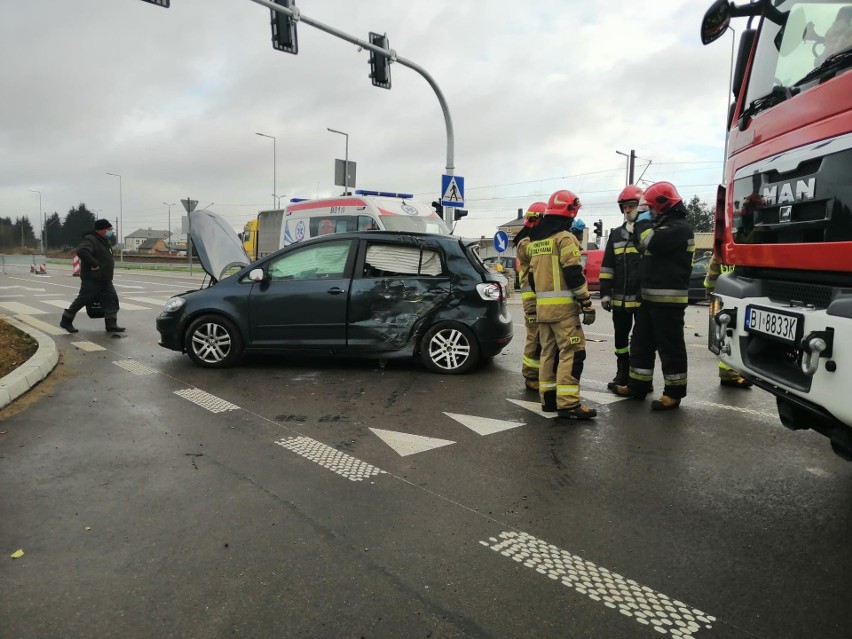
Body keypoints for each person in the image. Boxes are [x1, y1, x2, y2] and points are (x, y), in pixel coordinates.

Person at [614, 181, 694, 411]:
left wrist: (643, 222)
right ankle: (637, 386)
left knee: (670, 348)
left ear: (663, 205)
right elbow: (643, 245)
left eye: (650, 208)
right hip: (648, 300)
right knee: (640, 344)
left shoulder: (679, 229)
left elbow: (652, 243)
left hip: (668, 301)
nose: (647, 212)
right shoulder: (662, 227)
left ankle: (674, 393)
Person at [518, 190, 597, 420]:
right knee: (572, 353)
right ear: (570, 212)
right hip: (564, 312)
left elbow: (531, 277)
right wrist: (586, 303)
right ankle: (569, 403)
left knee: (548, 355)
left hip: (543, 310)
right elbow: (574, 273)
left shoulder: (539, 240)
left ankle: (549, 401)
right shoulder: (565, 238)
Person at [599, 185, 644, 391]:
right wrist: (605, 294)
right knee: (620, 338)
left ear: (641, 206)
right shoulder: (616, 235)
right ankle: (622, 372)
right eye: (625, 206)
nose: (628, 210)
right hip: (619, 299)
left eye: (632, 205)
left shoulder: (648, 233)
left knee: (641, 340)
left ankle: (640, 378)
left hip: (642, 299)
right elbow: (607, 266)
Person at [60, 219, 126, 333]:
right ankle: (66, 320)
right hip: (93, 278)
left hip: (104, 278)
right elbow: (82, 251)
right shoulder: (91, 239)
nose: (110, 231)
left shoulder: (103, 240)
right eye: (108, 229)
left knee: (111, 299)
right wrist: (95, 263)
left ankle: (111, 324)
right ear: (101, 229)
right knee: (83, 299)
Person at [703, 253, 753, 388]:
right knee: (734, 334)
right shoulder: (745, 252)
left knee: (725, 333)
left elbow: (712, 275)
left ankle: (729, 373)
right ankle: (731, 375)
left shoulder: (722, 252)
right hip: (741, 297)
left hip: (723, 296)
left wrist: (711, 293)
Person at [513, 202, 547, 391]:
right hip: (532, 300)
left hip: (540, 297)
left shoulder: (532, 238)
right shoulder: (525, 242)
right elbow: (538, 253)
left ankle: (540, 373)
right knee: (535, 336)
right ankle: (531, 375)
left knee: (543, 337)